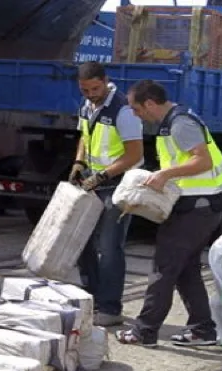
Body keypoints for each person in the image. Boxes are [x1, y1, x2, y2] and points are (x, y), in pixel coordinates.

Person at [116, 79, 222, 347]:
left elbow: (202, 160)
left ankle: (144, 331)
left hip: (198, 206)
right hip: (200, 205)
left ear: (150, 103)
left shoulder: (180, 123)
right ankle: (202, 330)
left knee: (164, 267)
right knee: (186, 269)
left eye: (136, 109)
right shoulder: (171, 122)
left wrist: (165, 174)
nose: (136, 115)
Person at [69, 61, 144, 327]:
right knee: (82, 242)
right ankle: (91, 299)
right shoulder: (87, 106)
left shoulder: (123, 110)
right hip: (94, 183)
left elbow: (135, 154)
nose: (91, 94)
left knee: (110, 247)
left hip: (118, 186)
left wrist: (102, 176)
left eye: (95, 89)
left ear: (105, 81)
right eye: (85, 90)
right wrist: (79, 162)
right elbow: (84, 136)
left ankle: (110, 308)